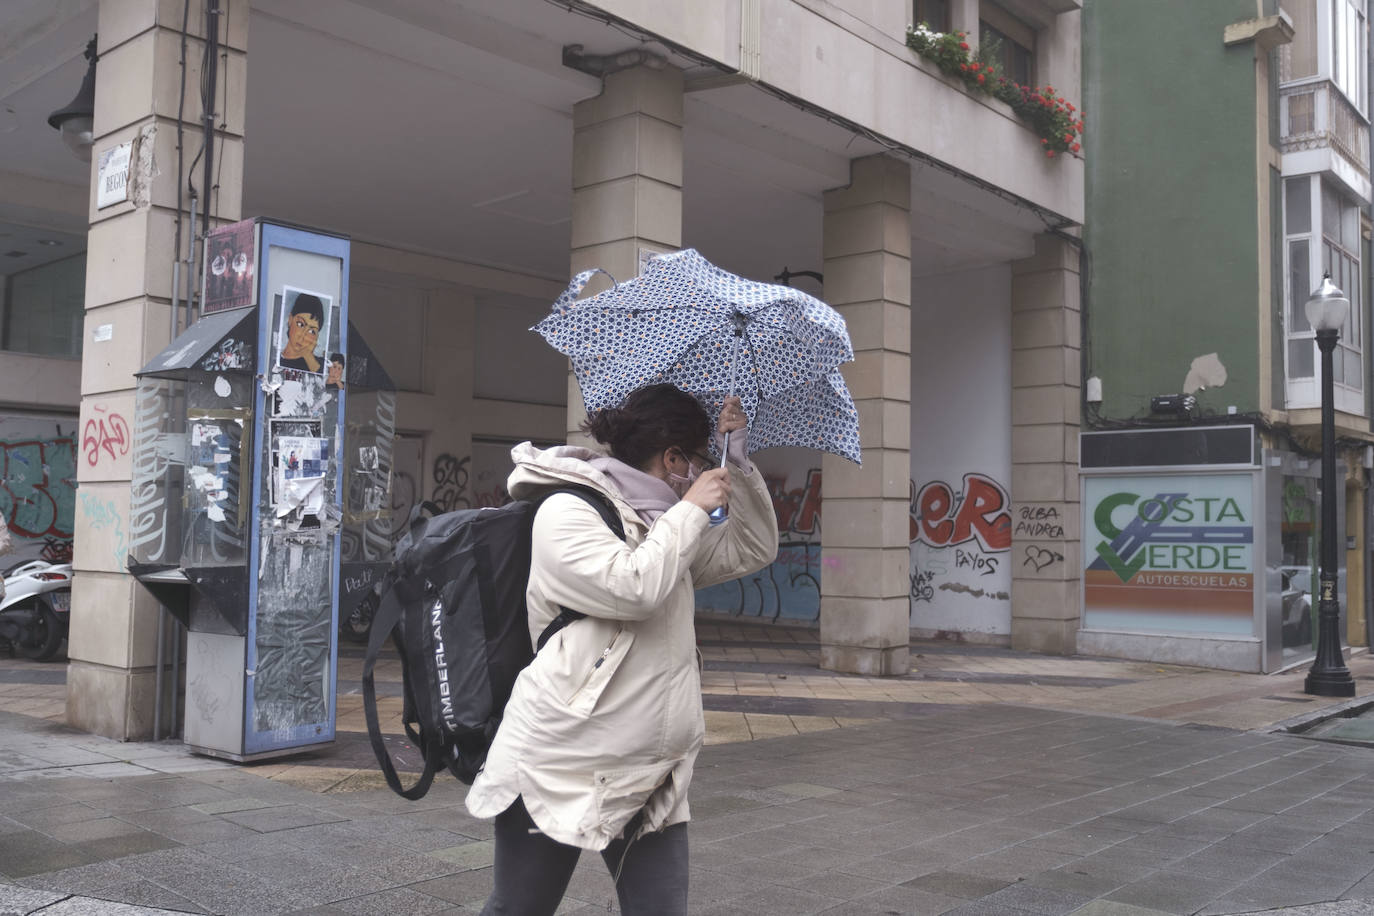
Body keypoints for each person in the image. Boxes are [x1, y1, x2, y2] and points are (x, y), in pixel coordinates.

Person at [466, 384, 779, 915]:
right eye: (702, 460)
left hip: (652, 771)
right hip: (561, 762)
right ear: (673, 458)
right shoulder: (566, 510)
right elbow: (632, 588)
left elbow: (751, 547)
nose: (705, 474)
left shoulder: (662, 527)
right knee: (519, 909)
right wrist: (691, 512)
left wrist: (740, 463)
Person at [279, 294, 324, 372]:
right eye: (300, 324)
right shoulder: (275, 358)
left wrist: (308, 357)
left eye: (311, 331)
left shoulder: (320, 365)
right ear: (290, 319)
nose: (303, 336)